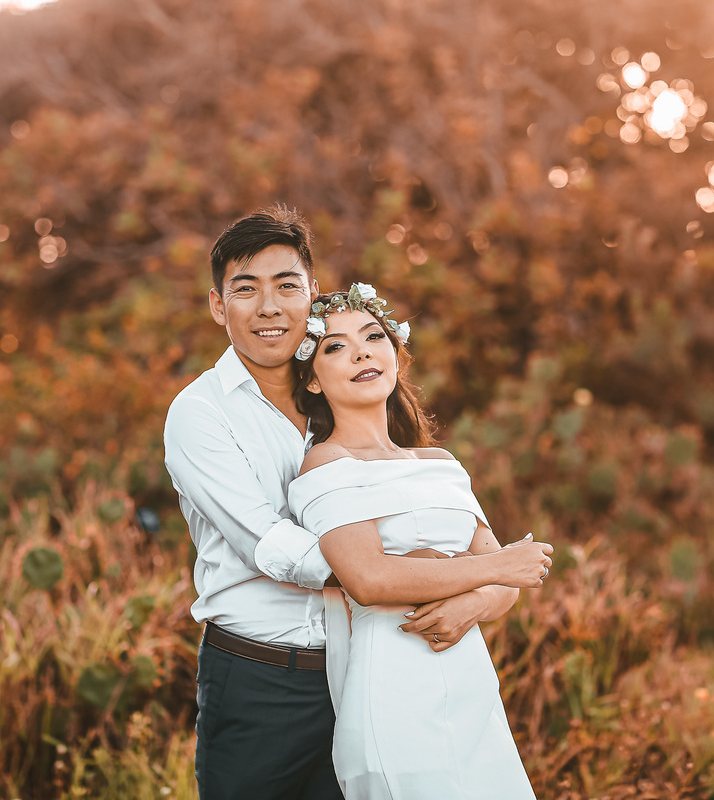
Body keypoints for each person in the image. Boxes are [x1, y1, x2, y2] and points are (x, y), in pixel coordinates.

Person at [163, 206, 552, 800]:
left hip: (380, 664)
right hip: (268, 675)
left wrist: (462, 592)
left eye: (287, 286)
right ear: (220, 306)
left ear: (312, 293)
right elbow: (270, 544)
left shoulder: (346, 403)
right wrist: (416, 572)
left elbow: (460, 560)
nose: (270, 307)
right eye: (247, 289)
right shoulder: (202, 413)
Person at [287, 284, 550, 799]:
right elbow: (369, 578)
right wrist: (494, 570)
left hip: (470, 682)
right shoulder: (327, 464)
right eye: (335, 346)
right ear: (313, 381)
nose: (361, 351)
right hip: (393, 682)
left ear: (395, 354)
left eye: (373, 336)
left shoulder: (442, 464)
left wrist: (470, 603)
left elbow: (508, 587)